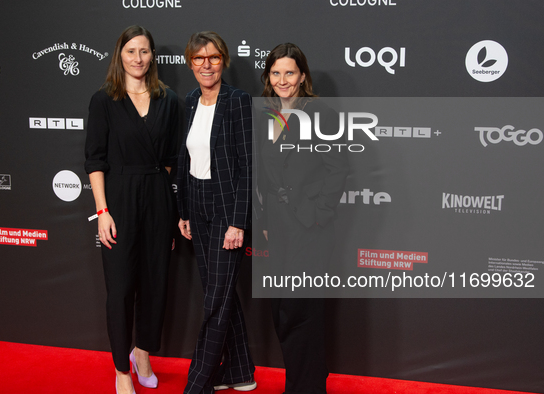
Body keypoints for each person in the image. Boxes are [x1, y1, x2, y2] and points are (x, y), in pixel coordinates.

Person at [84, 25, 179, 394]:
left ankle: (143, 353)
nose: (137, 58)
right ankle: (122, 369)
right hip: (119, 198)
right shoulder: (103, 100)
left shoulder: (168, 99)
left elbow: (172, 159)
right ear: (119, 55)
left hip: (157, 197)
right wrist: (103, 210)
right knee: (121, 288)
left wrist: (162, 202)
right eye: (131, 51)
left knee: (155, 283)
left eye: (144, 51)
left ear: (152, 56)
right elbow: (94, 160)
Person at [257, 43, 348, 394]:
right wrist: (263, 216)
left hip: (309, 229)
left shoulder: (322, 113)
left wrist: (319, 216)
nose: (282, 80)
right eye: (276, 73)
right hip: (278, 229)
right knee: (282, 310)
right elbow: (265, 176)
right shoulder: (266, 114)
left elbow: (338, 170)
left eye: (289, 73)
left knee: (301, 311)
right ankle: (303, 380)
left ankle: (306, 388)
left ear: (303, 76)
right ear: (269, 76)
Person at [176, 31, 256, 394]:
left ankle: (198, 383)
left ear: (223, 60)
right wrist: (184, 212)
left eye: (213, 58)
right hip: (197, 202)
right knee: (218, 293)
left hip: (227, 208)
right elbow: (185, 159)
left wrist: (239, 220)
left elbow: (248, 166)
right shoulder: (190, 100)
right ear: (190, 64)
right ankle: (239, 371)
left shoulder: (238, 101)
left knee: (215, 299)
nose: (206, 65)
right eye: (198, 59)